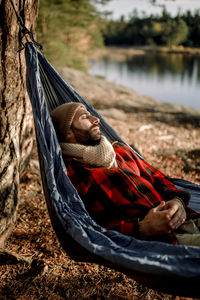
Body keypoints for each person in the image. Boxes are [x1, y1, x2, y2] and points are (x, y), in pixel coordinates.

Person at [51, 102, 200, 246]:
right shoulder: (72, 172)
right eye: (84, 117)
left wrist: (178, 200)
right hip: (159, 241)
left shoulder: (119, 150)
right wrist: (143, 228)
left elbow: (158, 177)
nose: (96, 119)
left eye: (91, 115)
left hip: (185, 217)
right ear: (68, 132)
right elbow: (87, 228)